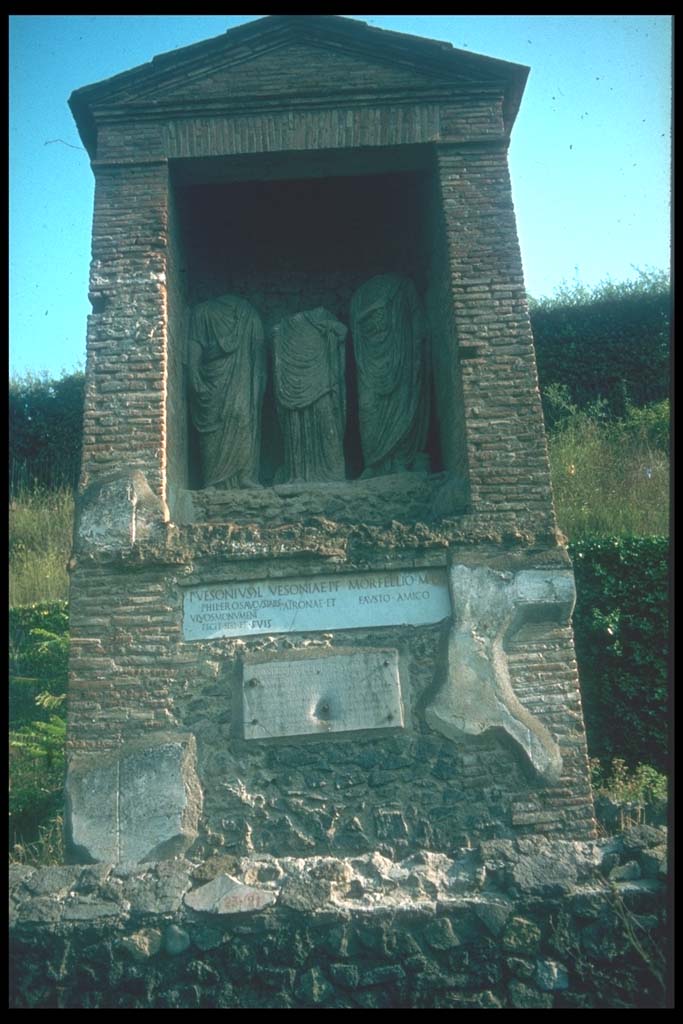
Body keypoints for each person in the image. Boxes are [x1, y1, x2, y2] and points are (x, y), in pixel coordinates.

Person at [350, 274, 430, 478]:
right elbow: (355, 334)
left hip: (400, 358)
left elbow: (417, 319)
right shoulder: (359, 296)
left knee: (402, 406)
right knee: (368, 408)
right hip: (369, 363)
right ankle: (374, 462)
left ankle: (401, 460)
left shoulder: (403, 286)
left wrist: (417, 350)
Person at [186, 293, 265, 489]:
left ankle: (245, 475)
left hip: (241, 379)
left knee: (242, 418)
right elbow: (194, 345)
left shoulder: (248, 314)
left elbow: (258, 350)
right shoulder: (202, 312)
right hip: (212, 379)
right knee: (211, 426)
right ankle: (211, 480)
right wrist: (193, 374)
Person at [272, 307, 348, 483]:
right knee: (296, 429)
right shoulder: (284, 327)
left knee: (328, 426)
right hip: (294, 384)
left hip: (321, 382)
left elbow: (342, 332)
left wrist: (330, 326)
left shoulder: (322, 315)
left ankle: (333, 474)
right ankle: (297, 475)